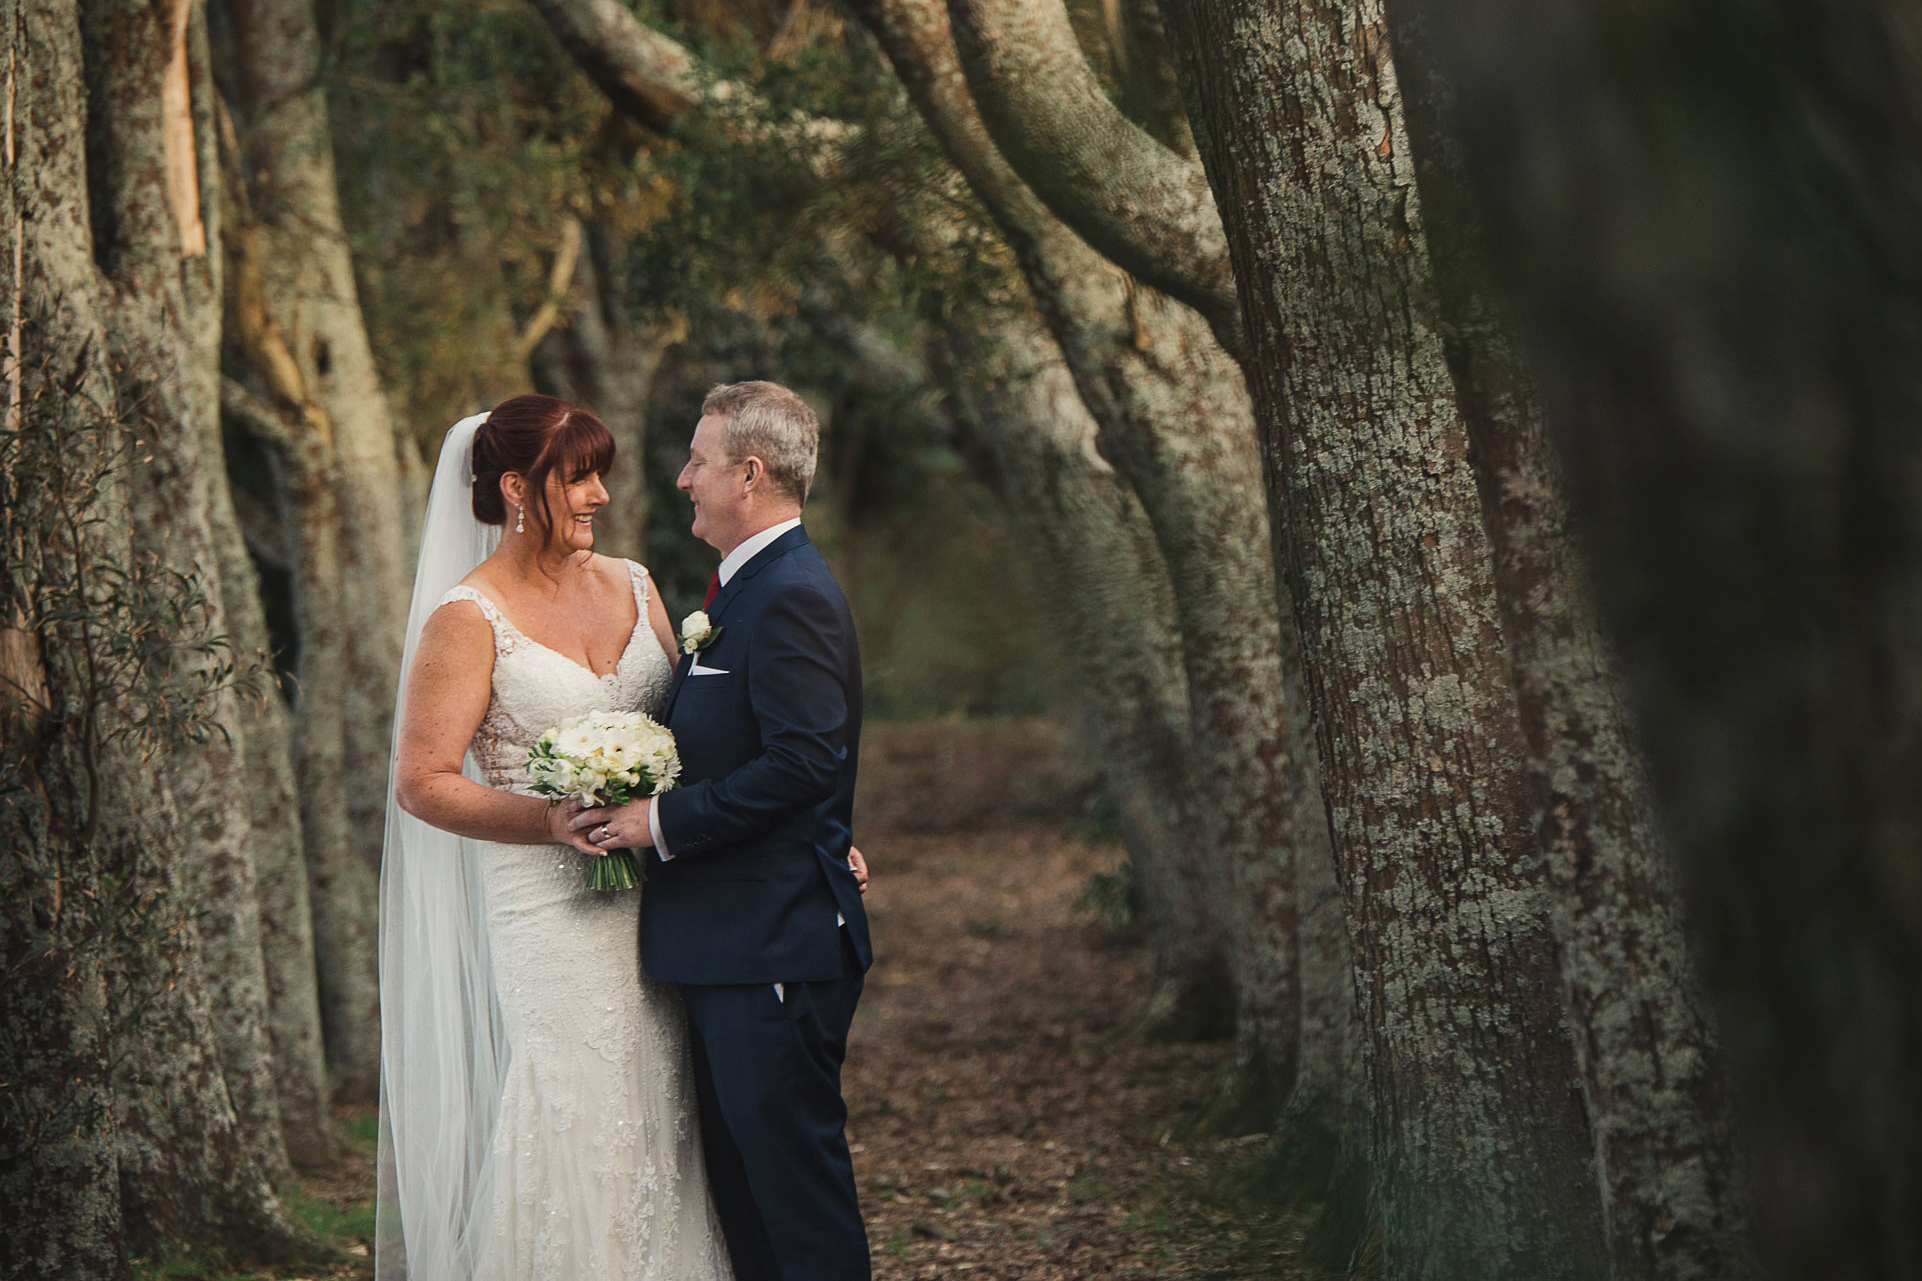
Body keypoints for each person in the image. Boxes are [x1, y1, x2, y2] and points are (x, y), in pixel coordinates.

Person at [375, 394, 733, 1280]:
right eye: (579, 477)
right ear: (516, 487)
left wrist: (807, 829)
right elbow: (422, 781)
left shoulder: (637, 584)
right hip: (550, 914)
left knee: (668, 1107)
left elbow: (703, 731)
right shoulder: (468, 617)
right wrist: (549, 818)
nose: (600, 496)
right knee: (579, 1109)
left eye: (598, 474)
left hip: (664, 897)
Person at [571, 381, 874, 1281]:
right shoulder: (743, 594)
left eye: (697, 461)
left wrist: (653, 820)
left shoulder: (790, 596)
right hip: (734, 942)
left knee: (795, 1202)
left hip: (773, 946)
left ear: (748, 473)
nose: (681, 478)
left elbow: (803, 763)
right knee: (746, 1200)